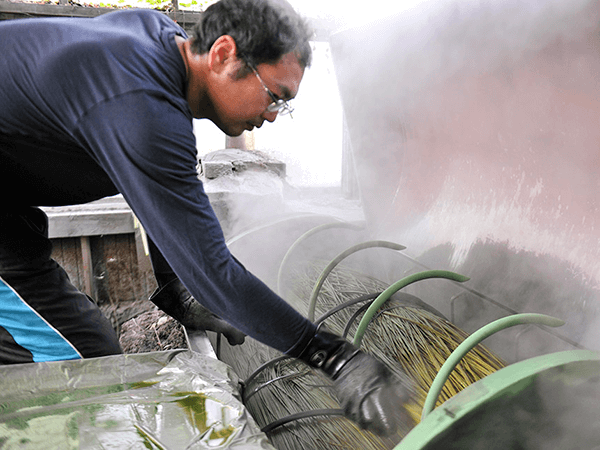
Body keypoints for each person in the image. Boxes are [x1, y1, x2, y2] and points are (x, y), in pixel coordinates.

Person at [0, 0, 412, 436]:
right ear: (222, 54)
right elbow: (213, 270)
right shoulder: (138, 101)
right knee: (83, 374)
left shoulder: (156, 46)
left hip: (11, 211)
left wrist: (176, 287)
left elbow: (160, 192)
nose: (272, 115)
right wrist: (337, 359)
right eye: (275, 96)